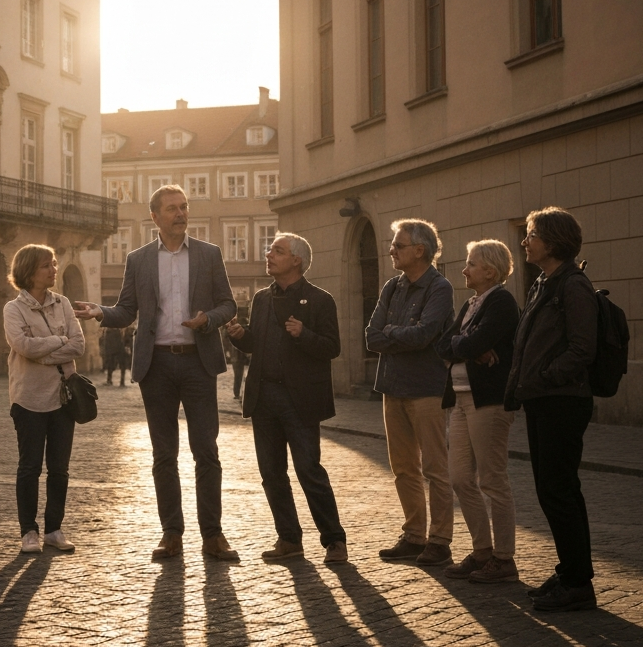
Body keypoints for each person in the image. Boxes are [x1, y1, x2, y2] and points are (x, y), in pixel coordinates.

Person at [75, 184, 239, 561]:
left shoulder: (209, 254)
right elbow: (127, 310)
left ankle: (213, 536)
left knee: (206, 451)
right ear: (155, 217)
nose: (180, 214)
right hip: (158, 365)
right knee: (164, 454)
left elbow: (228, 304)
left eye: (184, 207)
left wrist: (207, 320)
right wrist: (100, 312)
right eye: (172, 209)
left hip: (198, 363)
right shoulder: (139, 259)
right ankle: (171, 534)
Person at [226, 233, 347, 564]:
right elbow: (256, 344)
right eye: (270, 250)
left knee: (309, 469)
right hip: (264, 397)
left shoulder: (320, 300)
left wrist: (303, 334)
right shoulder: (262, 298)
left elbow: (331, 347)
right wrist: (240, 337)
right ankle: (289, 539)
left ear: (297, 260)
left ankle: (334, 540)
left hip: (300, 399)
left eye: (277, 251)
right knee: (271, 473)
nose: (269, 254)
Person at [505, 207, 599, 612]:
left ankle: (578, 582)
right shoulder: (544, 282)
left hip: (562, 400)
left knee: (558, 490)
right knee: (553, 489)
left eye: (531, 235)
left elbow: (582, 348)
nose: (525, 241)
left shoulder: (573, 285)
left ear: (553, 240)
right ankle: (571, 572)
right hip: (543, 399)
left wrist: (544, 377)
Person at [366, 218, 455, 567]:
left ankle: (440, 541)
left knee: (435, 468)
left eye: (397, 245)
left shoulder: (439, 288)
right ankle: (415, 535)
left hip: (426, 390)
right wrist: (400, 333)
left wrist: (394, 334)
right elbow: (371, 336)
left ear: (419, 251)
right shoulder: (392, 287)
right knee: (403, 467)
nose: (391, 250)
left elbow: (425, 335)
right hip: (392, 386)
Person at [437, 240, 521, 583]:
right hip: (459, 400)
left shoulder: (501, 301)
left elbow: (464, 342)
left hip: (489, 402)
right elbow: (443, 344)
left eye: (470, 264)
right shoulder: (472, 303)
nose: (464, 269)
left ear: (490, 270)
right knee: (459, 478)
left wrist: (466, 348)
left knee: (492, 479)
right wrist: (470, 350)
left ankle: (504, 559)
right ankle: (481, 550)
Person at [4, 244, 86, 554]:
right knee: (29, 467)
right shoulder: (13, 309)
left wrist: (46, 351)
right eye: (46, 266)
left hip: (64, 398)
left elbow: (78, 346)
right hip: (29, 399)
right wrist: (57, 342)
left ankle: (54, 528)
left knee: (60, 468)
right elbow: (23, 346)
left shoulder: (63, 303)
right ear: (28, 271)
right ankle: (28, 532)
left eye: (53, 264)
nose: (53, 270)